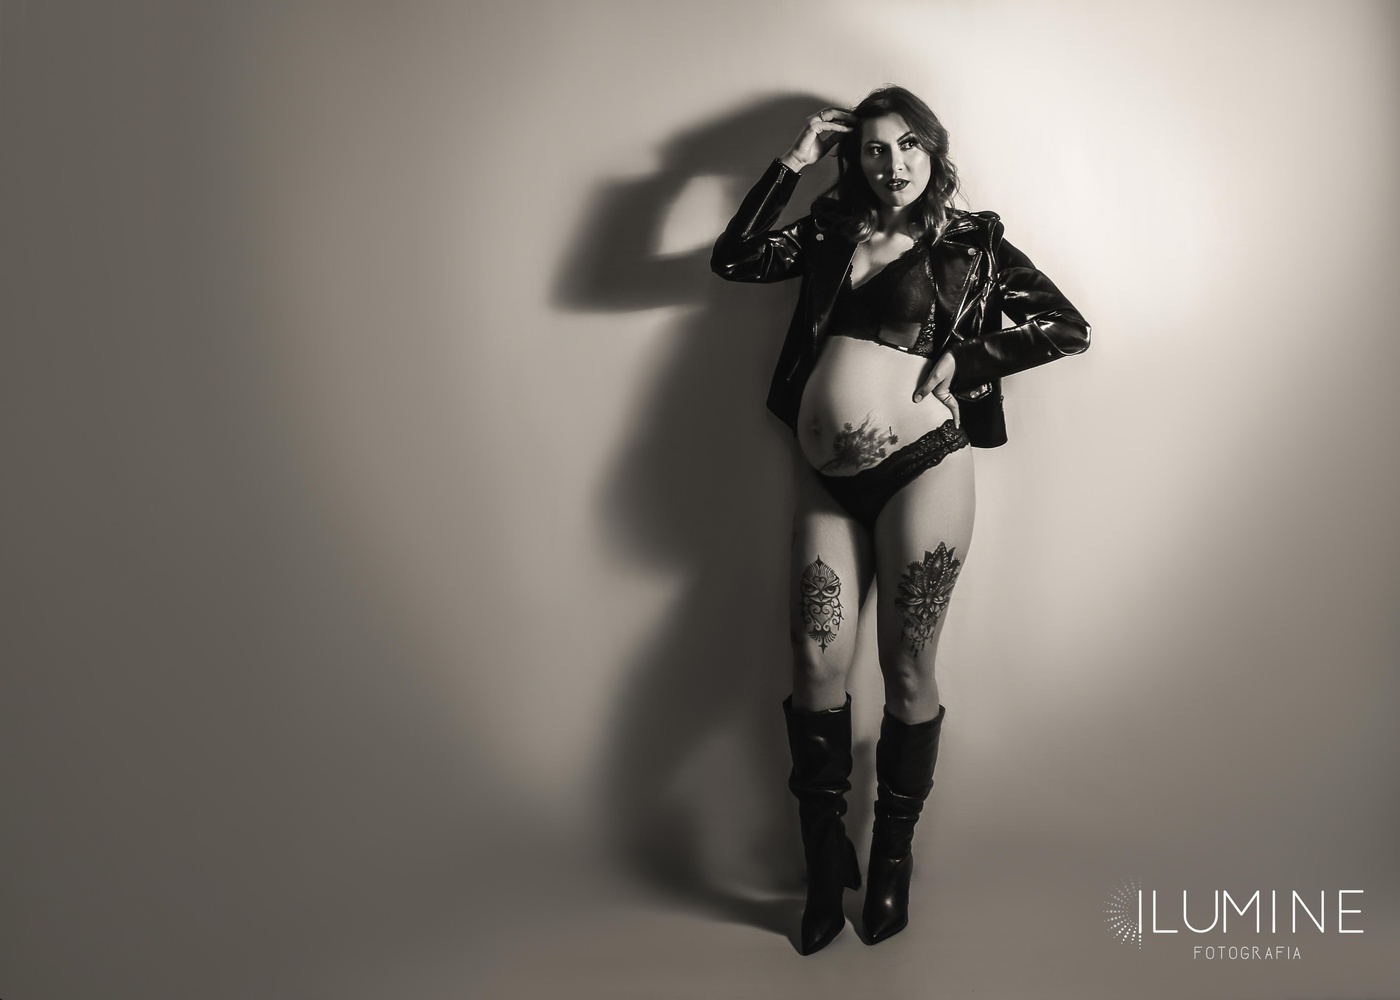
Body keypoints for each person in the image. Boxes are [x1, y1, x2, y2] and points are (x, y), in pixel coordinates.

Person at [710, 86, 1090, 954]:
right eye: (875, 148)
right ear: (854, 158)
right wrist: (792, 164)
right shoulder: (828, 232)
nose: (893, 163)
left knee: (908, 664)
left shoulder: (973, 243)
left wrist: (972, 356)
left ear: (934, 149)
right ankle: (823, 862)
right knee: (816, 660)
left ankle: (890, 857)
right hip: (824, 481)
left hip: (925, 471)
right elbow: (735, 259)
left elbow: (1066, 327)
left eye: (909, 144)